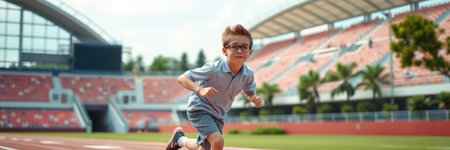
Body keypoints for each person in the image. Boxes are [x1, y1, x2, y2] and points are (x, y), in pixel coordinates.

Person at [165, 24, 262, 150]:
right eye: (234, 47)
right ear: (224, 51)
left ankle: (179, 139)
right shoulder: (214, 69)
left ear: (250, 52)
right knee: (217, 141)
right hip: (200, 109)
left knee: (205, 147)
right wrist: (200, 89)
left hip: (219, 114)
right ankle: (180, 139)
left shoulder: (248, 74)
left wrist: (253, 97)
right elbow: (182, 78)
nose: (239, 50)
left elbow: (249, 91)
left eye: (244, 47)